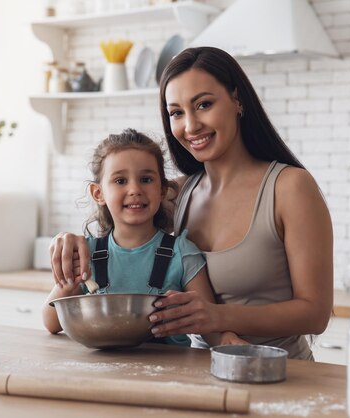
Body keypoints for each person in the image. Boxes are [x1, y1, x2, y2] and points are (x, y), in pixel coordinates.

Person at [49, 47, 333, 359]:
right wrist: (70, 241)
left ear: (238, 100)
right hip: (197, 371)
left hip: (282, 372)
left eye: (204, 104)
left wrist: (217, 316)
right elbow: (118, 223)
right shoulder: (175, 194)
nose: (191, 125)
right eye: (176, 113)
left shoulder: (290, 187)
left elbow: (315, 314)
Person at [42, 128, 236, 346]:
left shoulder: (183, 253)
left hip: (168, 372)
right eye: (120, 181)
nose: (135, 189)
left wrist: (226, 339)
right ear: (99, 193)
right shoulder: (88, 254)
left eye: (145, 179)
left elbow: (207, 324)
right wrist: (68, 285)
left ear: (162, 190)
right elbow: (51, 323)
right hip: (103, 373)